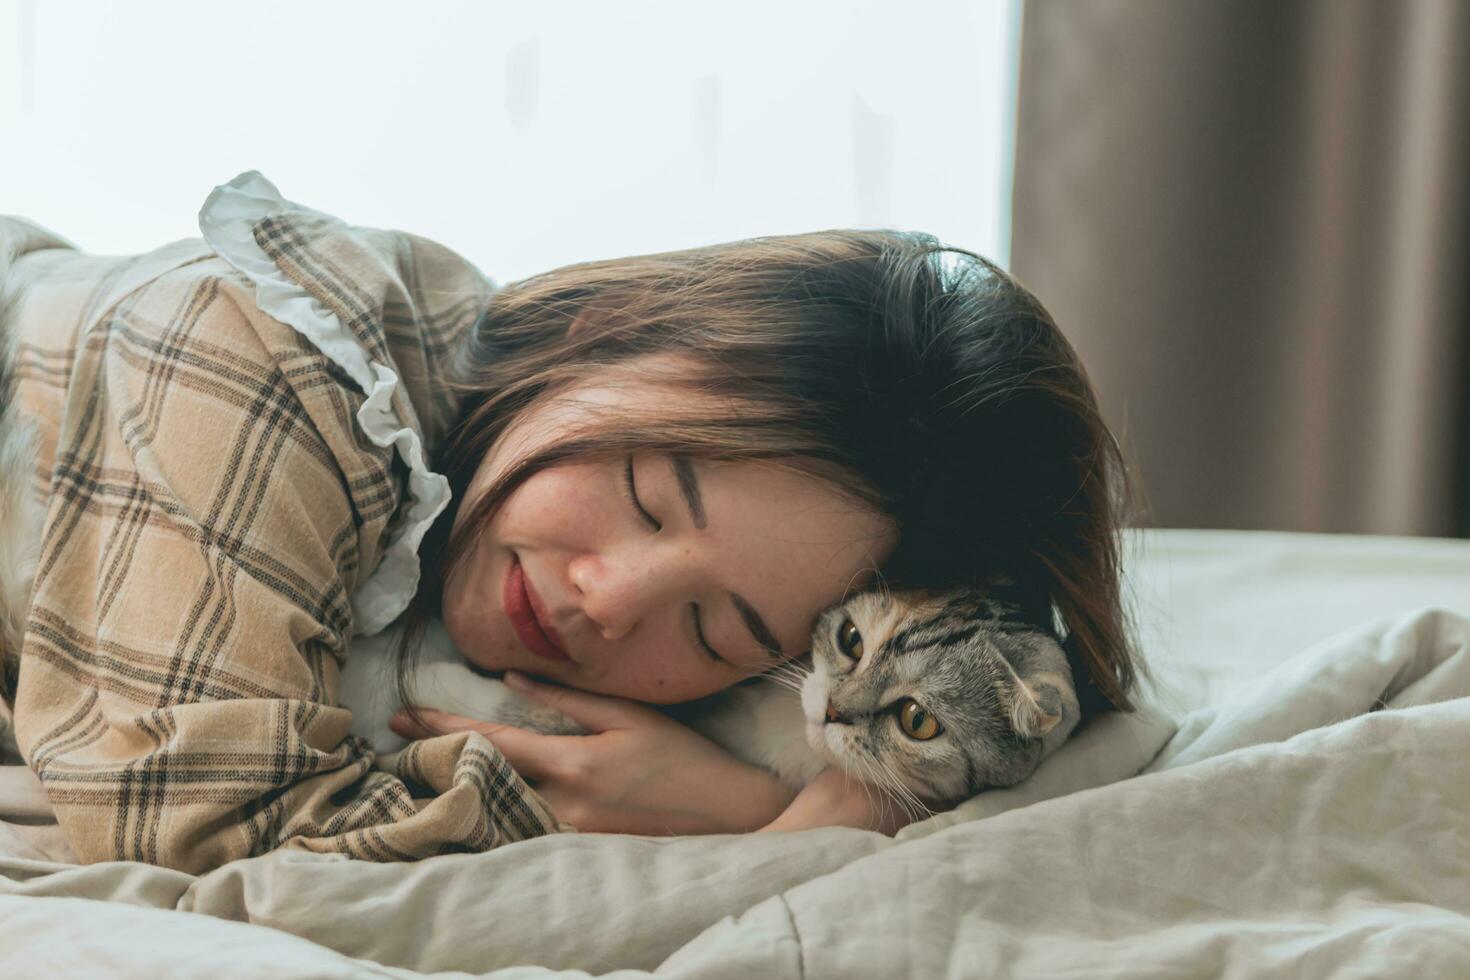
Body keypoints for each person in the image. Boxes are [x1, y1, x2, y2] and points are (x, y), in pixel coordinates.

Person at [0, 172, 1140, 873]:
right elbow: (196, 823)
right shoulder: (267, 359)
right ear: (610, 329)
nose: (607, 598)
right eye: (645, 491)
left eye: (710, 628)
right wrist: (744, 816)